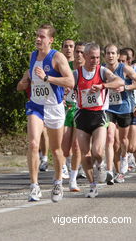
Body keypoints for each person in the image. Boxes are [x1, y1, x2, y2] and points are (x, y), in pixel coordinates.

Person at [17, 24, 74, 202]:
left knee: (56, 150)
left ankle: (57, 182)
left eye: (42, 36)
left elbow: (70, 81)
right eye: (37, 36)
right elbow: (30, 76)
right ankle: (34, 186)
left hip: (54, 107)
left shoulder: (57, 57)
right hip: (36, 106)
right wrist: (24, 82)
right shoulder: (32, 56)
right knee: (33, 144)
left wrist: (48, 78)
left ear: (51, 40)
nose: (38, 39)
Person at [74, 43, 124, 197]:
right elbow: (66, 85)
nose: (95, 60)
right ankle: (92, 185)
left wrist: (103, 86)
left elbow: (120, 82)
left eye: (97, 57)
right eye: (92, 57)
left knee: (97, 151)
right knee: (85, 153)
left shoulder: (102, 71)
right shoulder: (76, 74)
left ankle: (101, 164)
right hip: (82, 115)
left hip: (99, 115)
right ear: (85, 56)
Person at [104, 45, 136, 184]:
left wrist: (126, 87)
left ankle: (124, 158)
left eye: (113, 53)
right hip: (108, 108)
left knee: (122, 141)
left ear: (117, 55)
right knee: (111, 139)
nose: (110, 56)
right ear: (105, 55)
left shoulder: (124, 69)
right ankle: (112, 171)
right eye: (108, 53)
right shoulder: (102, 69)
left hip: (124, 108)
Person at [61, 41, 86, 191]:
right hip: (67, 108)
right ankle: (67, 166)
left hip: (82, 110)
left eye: (82, 52)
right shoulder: (67, 68)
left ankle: (73, 179)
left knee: (77, 146)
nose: (78, 55)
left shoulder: (89, 71)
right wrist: (61, 96)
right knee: (64, 146)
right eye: (77, 51)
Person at [60, 39, 75, 179]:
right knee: (64, 137)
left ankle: (73, 165)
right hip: (63, 104)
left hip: (77, 105)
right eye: (66, 46)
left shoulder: (79, 65)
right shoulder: (58, 63)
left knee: (76, 141)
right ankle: (64, 165)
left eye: (71, 46)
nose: (68, 49)